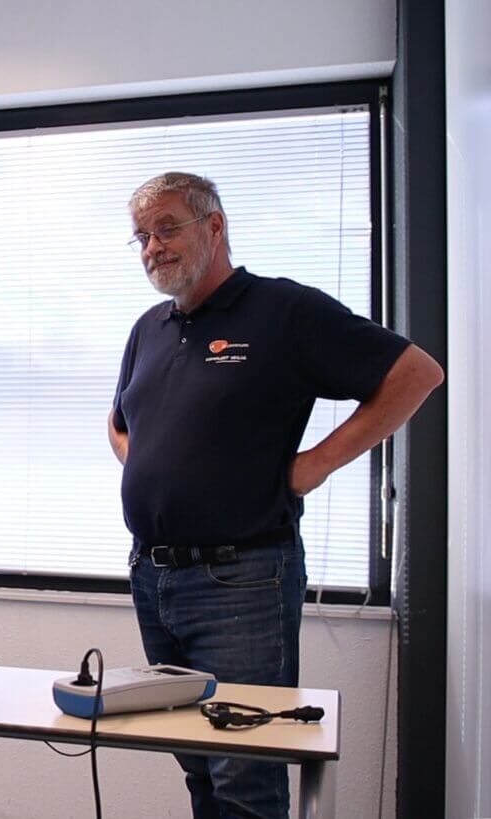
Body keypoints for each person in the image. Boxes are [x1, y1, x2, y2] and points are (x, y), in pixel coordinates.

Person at [109, 172, 443, 819]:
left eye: (167, 227)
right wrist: (146, 464)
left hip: (243, 580)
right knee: (197, 764)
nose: (153, 246)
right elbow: (120, 422)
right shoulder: (148, 328)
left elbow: (415, 373)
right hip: (154, 578)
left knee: (246, 775)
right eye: (142, 237)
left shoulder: (284, 311)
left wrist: (315, 463)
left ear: (215, 225)